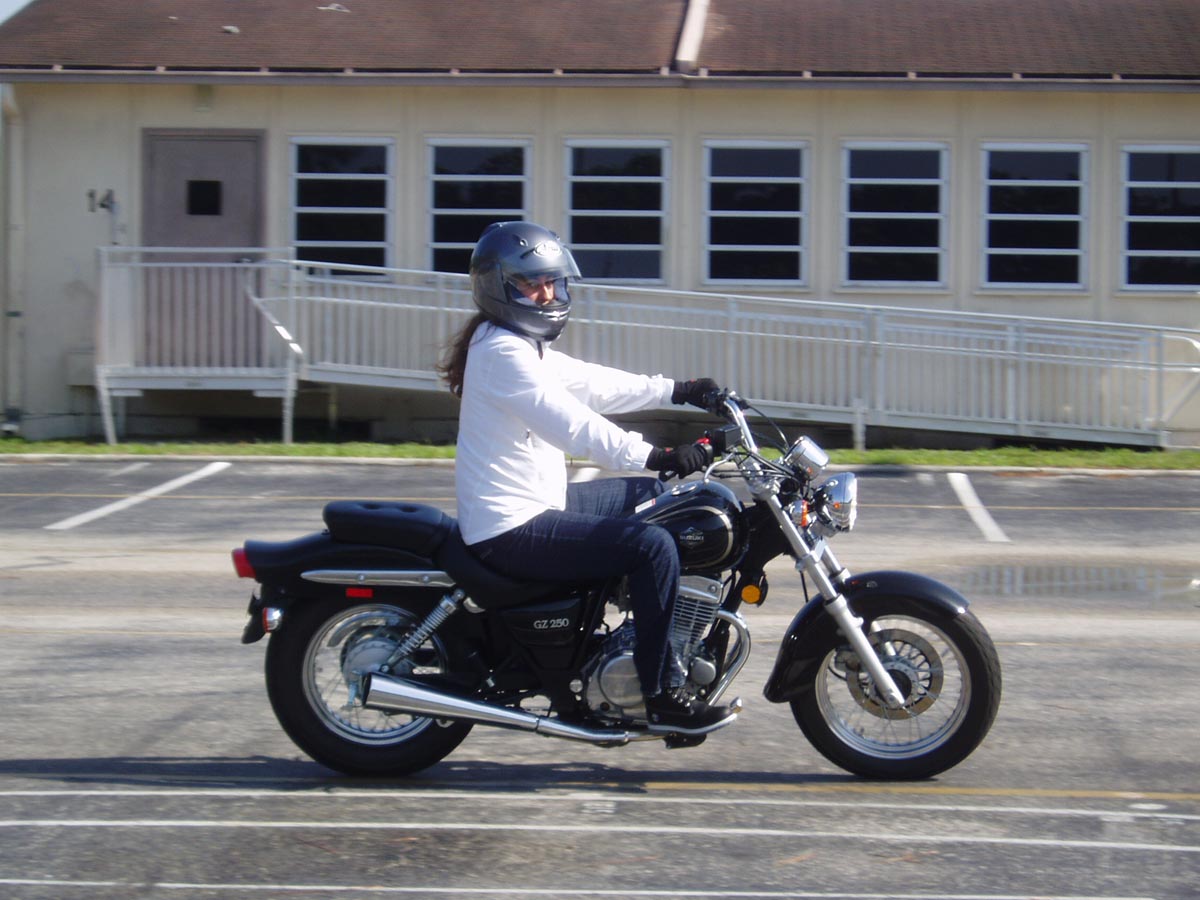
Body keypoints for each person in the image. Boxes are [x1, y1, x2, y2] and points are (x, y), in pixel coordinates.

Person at [437, 221, 733, 731]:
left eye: (552, 282)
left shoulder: (517, 343)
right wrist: (658, 455)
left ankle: (631, 634)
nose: (547, 294)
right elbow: (574, 425)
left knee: (657, 498)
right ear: (498, 287)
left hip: (540, 502)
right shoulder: (503, 353)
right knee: (652, 547)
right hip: (510, 527)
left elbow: (592, 383)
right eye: (531, 284)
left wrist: (680, 390)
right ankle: (659, 692)